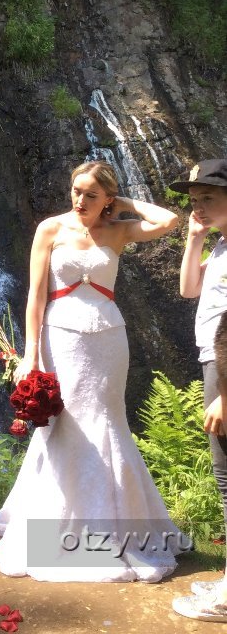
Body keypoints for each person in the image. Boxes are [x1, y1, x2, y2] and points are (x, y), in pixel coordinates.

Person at [0, 160, 184, 582]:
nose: (80, 201)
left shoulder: (119, 229)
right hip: (61, 338)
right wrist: (31, 356)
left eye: (91, 195)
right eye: (76, 191)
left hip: (109, 339)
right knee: (64, 426)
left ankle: (120, 532)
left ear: (107, 199)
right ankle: (51, 534)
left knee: (109, 423)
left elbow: (169, 220)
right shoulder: (51, 229)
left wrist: (121, 204)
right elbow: (34, 299)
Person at [168, 159, 227, 622]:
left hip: (225, 369)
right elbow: (190, 288)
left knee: (226, 474)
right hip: (214, 360)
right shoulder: (222, 246)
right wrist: (194, 237)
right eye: (194, 201)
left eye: (209, 197)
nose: (199, 207)